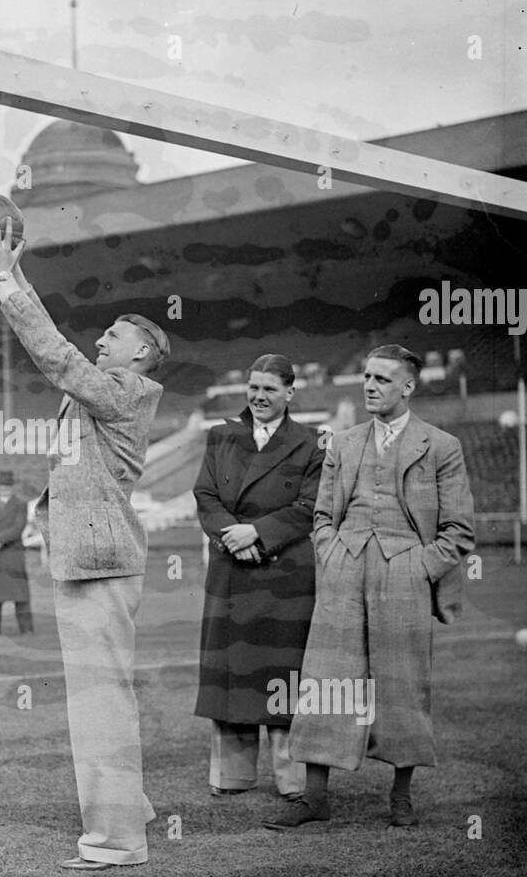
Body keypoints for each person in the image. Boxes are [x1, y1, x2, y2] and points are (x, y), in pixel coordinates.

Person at [0, 214, 169, 872]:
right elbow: (64, 355)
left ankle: (114, 842)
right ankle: (128, 809)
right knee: (100, 695)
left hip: (99, 564)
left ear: (138, 353)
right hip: (87, 560)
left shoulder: (123, 390)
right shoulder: (108, 389)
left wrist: (3, 277)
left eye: (114, 335)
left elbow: (54, 353)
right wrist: (9, 263)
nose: (101, 339)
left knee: (97, 704)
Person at [265, 345, 475, 831]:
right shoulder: (342, 442)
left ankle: (400, 797)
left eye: (382, 379)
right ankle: (314, 797)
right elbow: (320, 516)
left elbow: (459, 530)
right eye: (367, 377)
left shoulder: (440, 445)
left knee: (402, 686)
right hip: (344, 571)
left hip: (404, 574)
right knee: (324, 682)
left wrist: (419, 567)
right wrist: (332, 552)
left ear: (408, 386)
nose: (371, 386)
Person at [194, 353, 324, 802]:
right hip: (231, 569)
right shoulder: (221, 436)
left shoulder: (312, 443)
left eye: (269, 388)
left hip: (283, 574)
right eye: (253, 387)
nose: (259, 396)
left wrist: (260, 533)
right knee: (233, 676)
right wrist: (235, 537)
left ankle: (293, 780)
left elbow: (310, 507)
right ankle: (232, 776)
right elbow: (205, 495)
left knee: (282, 675)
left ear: (290, 392)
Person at [0, 469, 33, 636]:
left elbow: (18, 528)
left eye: (8, 485)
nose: (4, 488)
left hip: (13, 554)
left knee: (20, 594)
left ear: (12, 487)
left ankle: (26, 629)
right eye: (2, 485)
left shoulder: (20, 504)